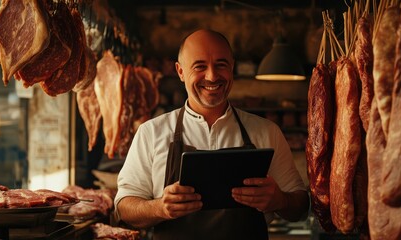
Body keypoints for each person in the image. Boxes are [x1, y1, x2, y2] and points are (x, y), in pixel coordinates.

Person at [114, 29, 309, 240]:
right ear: (180, 71)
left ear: (232, 67)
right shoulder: (151, 132)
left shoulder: (266, 131)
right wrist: (159, 208)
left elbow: (300, 207)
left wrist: (280, 200)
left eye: (221, 65)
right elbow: (124, 208)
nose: (212, 76)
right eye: (200, 66)